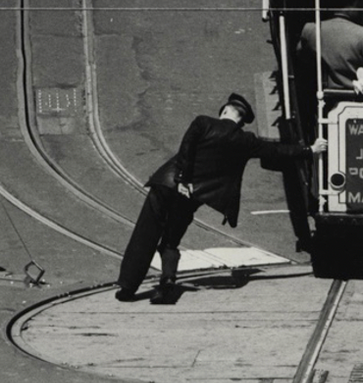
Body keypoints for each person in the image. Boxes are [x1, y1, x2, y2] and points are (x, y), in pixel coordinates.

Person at [115, 92, 327, 304]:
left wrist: (183, 180)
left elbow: (186, 149)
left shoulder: (203, 123)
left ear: (225, 111)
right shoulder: (246, 140)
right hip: (192, 196)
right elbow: (277, 151)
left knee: (146, 233)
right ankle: (167, 283)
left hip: (167, 184)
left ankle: (127, 287)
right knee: (171, 239)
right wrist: (310, 149)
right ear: (241, 120)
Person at [297, 0, 363, 94]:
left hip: (323, 95)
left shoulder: (310, 30)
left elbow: (303, 59)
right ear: (353, 3)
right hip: (356, 97)